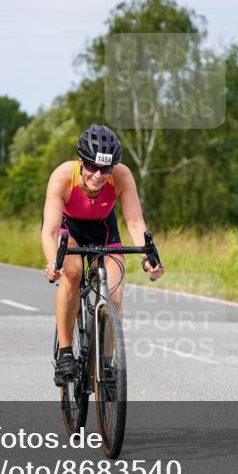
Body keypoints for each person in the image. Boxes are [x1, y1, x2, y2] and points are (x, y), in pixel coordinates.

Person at [42, 124, 163, 385]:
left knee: (115, 292)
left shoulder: (122, 176)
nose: (98, 175)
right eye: (92, 167)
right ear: (81, 161)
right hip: (68, 229)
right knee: (72, 273)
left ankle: (106, 364)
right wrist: (54, 263)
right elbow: (50, 231)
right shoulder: (63, 176)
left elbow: (134, 222)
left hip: (103, 229)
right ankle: (65, 353)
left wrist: (149, 259)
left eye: (105, 169)